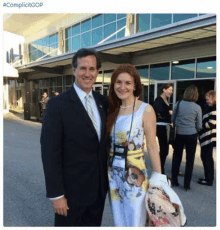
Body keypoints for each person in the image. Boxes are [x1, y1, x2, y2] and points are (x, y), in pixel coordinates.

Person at [40, 48, 108, 226]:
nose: (87, 74)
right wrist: (57, 195)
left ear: (97, 72)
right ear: (74, 70)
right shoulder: (57, 105)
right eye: (83, 68)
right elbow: (50, 153)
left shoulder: (103, 102)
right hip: (70, 196)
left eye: (92, 69)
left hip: (97, 194)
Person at [106, 64, 162, 226]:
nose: (122, 87)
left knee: (136, 219)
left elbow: (152, 144)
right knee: (119, 219)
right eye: (118, 82)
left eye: (128, 83)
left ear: (135, 85)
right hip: (113, 175)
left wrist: (159, 177)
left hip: (135, 174)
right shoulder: (112, 109)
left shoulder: (145, 110)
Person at [171, 85, 202, 191]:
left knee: (177, 157)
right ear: (195, 95)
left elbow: (173, 119)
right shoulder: (197, 107)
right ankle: (186, 185)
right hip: (191, 135)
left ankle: (174, 181)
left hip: (179, 134)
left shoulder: (178, 104)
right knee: (190, 160)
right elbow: (199, 125)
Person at [153, 84, 173, 174]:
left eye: (172, 90)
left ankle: (160, 170)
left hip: (166, 127)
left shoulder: (166, 100)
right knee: (164, 150)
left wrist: (169, 113)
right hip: (161, 127)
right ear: (164, 90)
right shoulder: (158, 100)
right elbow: (160, 114)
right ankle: (160, 171)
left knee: (165, 150)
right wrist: (169, 113)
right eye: (169, 90)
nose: (171, 92)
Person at [198, 90, 216, 186]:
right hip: (206, 138)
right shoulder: (210, 107)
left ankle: (208, 180)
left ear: (213, 97)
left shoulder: (215, 108)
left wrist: (200, 124)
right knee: (208, 158)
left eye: (208, 99)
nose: (207, 101)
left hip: (208, 138)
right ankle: (208, 178)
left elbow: (211, 124)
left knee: (206, 158)